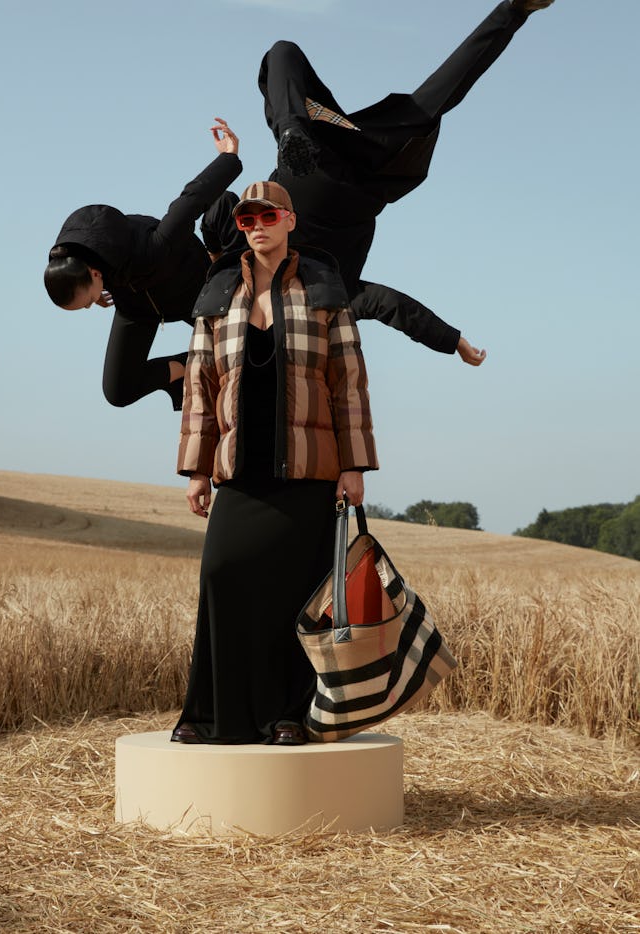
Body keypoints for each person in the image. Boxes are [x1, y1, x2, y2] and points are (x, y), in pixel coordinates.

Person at [202, 1, 557, 368]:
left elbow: (391, 305)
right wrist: (220, 252)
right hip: (313, 171)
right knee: (280, 54)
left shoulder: (334, 299)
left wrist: (453, 341)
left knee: (434, 99)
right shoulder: (281, 286)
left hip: (358, 180)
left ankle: (515, 10)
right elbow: (217, 210)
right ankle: (292, 127)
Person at [172, 181, 378, 746]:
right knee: (221, 573)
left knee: (295, 593)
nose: (256, 225)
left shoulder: (321, 287)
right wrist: (196, 469)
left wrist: (354, 463)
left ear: (290, 220)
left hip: (310, 471)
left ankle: (288, 713)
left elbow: (348, 381)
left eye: (267, 215)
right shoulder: (217, 295)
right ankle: (213, 713)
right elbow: (199, 384)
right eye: (246, 219)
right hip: (240, 469)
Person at [44, 119, 242, 412]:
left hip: (192, 294)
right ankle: (183, 367)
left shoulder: (155, 247)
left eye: (86, 302)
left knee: (241, 347)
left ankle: (212, 356)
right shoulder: (72, 258)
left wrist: (228, 157)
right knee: (118, 391)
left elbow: (190, 201)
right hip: (137, 308)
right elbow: (81, 265)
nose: (91, 306)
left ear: (95, 273)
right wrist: (96, 291)